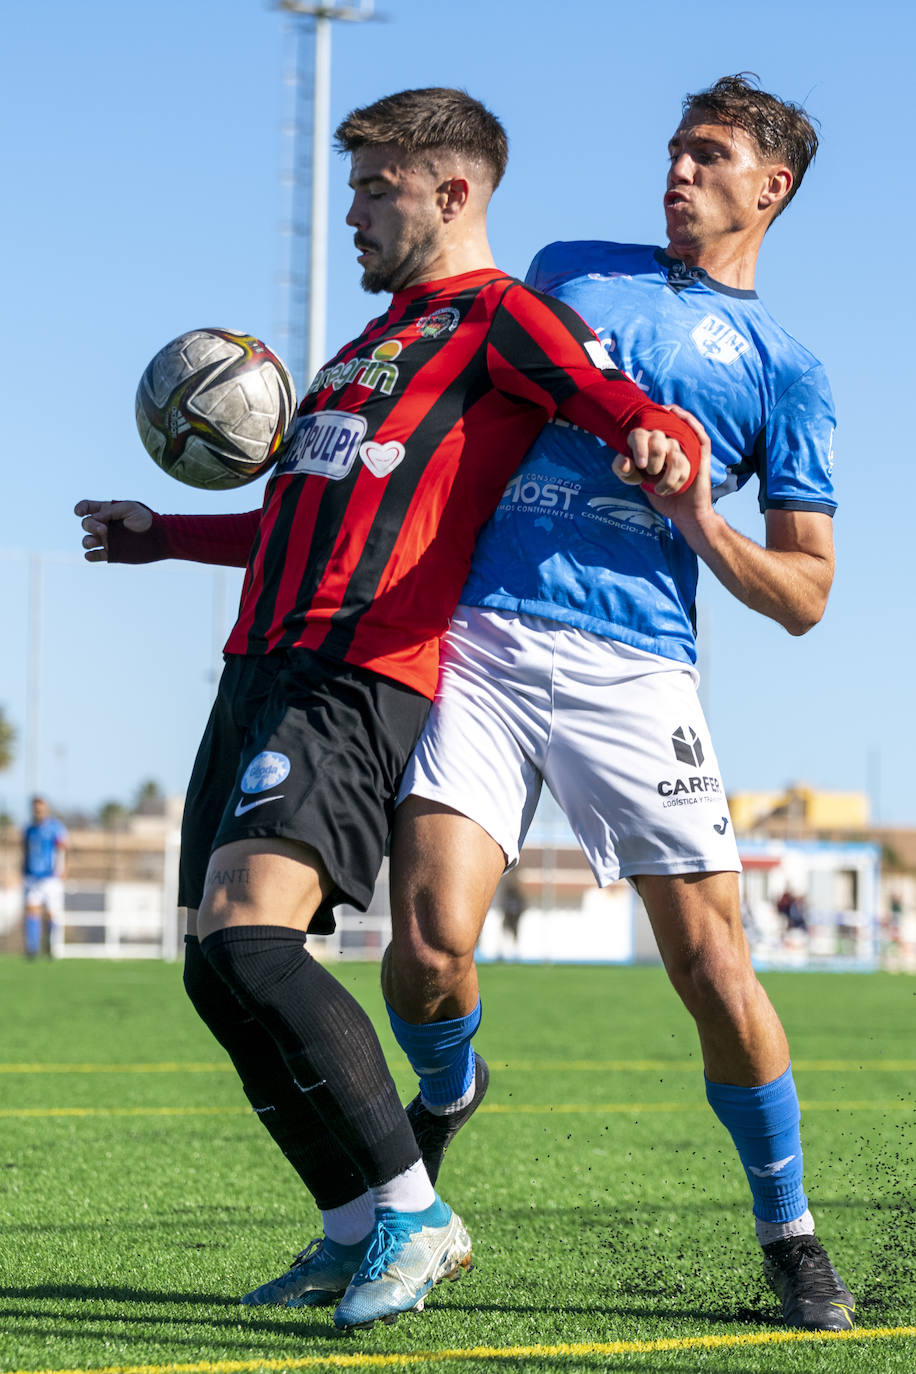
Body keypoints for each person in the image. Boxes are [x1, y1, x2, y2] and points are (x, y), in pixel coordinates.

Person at [75, 87, 701, 1332]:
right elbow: (294, 521)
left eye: (374, 186)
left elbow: (606, 400)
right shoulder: (360, 353)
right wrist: (165, 540)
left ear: (451, 191)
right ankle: (352, 1227)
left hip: (359, 676)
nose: (354, 210)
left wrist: (656, 436)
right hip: (259, 663)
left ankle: (417, 1212)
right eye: (353, 185)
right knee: (216, 972)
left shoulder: (497, 319)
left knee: (255, 943)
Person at [380, 75, 855, 1333]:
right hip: (481, 633)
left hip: (634, 666)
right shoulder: (564, 267)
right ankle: (448, 1090)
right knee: (428, 946)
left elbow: (806, 592)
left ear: (772, 187)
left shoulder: (786, 370)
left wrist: (699, 517)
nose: (677, 171)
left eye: (709, 156)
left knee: (710, 966)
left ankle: (788, 1230)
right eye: (672, 151)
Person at [22, 796, 68, 958]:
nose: (38, 812)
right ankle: (32, 949)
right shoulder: (28, 829)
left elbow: (62, 848)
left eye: (40, 808)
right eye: (35, 809)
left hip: (50, 877)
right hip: (32, 877)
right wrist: (23, 870)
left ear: (46, 809)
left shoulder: (55, 827)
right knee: (31, 911)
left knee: (51, 913)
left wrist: (62, 869)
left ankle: (50, 945)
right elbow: (26, 851)